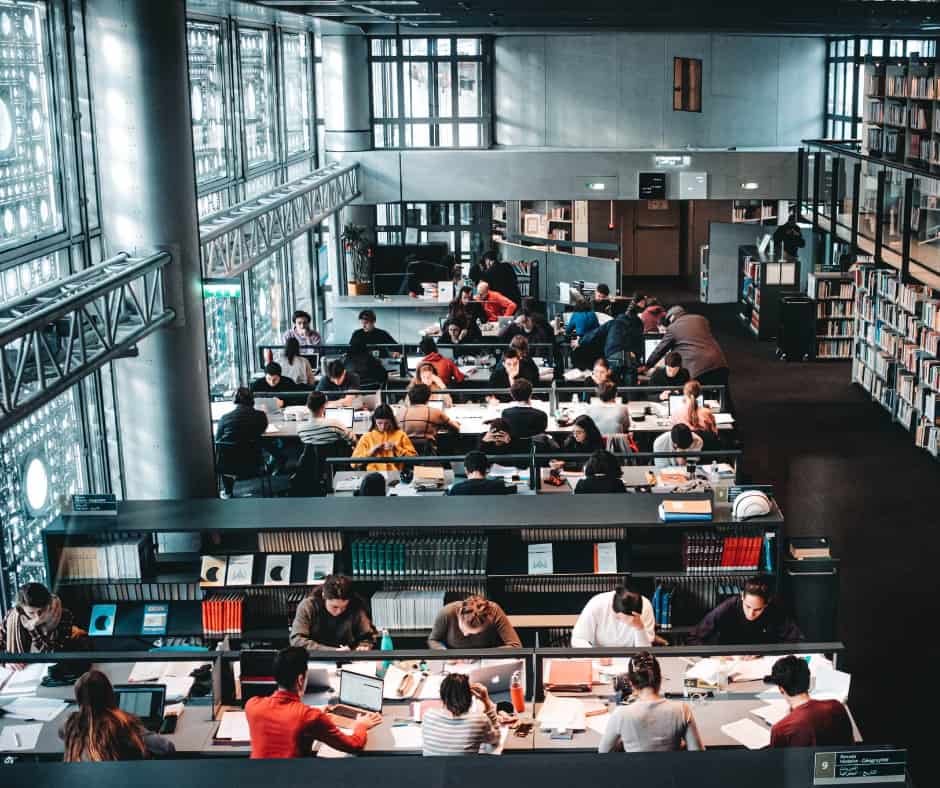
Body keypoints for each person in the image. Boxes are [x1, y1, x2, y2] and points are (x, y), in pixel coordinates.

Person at [245, 646, 381, 758]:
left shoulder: (252, 706)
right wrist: (361, 725)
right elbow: (354, 745)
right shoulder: (310, 717)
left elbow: (280, 715)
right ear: (300, 680)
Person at [598, 652, 703, 753]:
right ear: (660, 679)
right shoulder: (681, 710)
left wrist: (626, 742)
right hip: (671, 770)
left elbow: (604, 751)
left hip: (635, 770)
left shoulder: (620, 714)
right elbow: (697, 751)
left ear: (631, 683)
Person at [62, 670, 175, 761]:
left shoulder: (70, 724)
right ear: (111, 695)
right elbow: (167, 747)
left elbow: (61, 734)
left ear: (78, 699)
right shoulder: (123, 725)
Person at [643, 307, 732, 412]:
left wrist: (647, 366)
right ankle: (731, 425)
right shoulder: (701, 319)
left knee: (699, 402)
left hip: (698, 368)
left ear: (672, 318)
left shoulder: (673, 328)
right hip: (719, 363)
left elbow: (660, 350)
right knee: (724, 398)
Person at [687, 576, 804, 646]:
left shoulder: (774, 609)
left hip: (760, 662)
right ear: (742, 596)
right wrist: (714, 656)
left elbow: (797, 640)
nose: (751, 614)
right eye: (747, 606)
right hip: (729, 660)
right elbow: (693, 638)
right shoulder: (728, 607)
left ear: (767, 604)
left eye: (758, 609)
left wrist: (765, 652)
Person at [765, 655, 853, 748]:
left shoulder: (780, 730)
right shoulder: (836, 706)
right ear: (808, 682)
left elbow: (776, 761)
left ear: (781, 689)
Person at [290, 574, 378, 651]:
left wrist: (363, 646)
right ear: (323, 596)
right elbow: (297, 640)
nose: (339, 611)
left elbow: (367, 636)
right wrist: (333, 651)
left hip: (349, 657)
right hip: (315, 657)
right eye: (334, 607)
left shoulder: (356, 605)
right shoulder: (308, 606)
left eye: (344, 607)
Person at [421, 672, 501, 756]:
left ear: (442, 695)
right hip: (464, 769)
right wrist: (486, 701)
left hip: (432, 768)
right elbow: (496, 739)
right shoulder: (479, 720)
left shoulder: (428, 715)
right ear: (470, 697)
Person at [1, 582, 82, 661]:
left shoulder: (64, 616)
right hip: (20, 671)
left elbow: (53, 654)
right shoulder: (12, 618)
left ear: (49, 604)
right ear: (22, 610)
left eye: (41, 611)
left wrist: (32, 629)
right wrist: (6, 661)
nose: (37, 616)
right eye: (31, 613)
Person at [572, 585, 656, 648]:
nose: (623, 622)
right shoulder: (597, 603)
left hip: (631, 661)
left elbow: (645, 652)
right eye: (619, 617)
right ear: (612, 606)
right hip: (598, 661)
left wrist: (639, 628)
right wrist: (596, 656)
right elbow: (578, 639)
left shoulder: (645, 607)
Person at [428, 595, 521, 649]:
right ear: (460, 612)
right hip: (456, 665)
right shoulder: (447, 612)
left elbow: (516, 646)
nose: (465, 634)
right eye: (463, 629)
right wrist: (446, 655)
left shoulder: (494, 612)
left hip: (487, 663)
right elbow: (433, 640)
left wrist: (481, 655)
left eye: (477, 633)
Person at [352, 404, 417, 471]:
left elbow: (414, 458)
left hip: (395, 474)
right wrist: (371, 452)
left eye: (386, 423)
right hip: (374, 474)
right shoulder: (367, 437)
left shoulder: (401, 435)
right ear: (374, 421)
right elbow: (353, 463)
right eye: (379, 423)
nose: (383, 427)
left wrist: (396, 448)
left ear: (391, 421)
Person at [399, 383, 460, 450]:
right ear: (428, 398)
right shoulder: (435, 412)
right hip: (427, 453)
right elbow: (456, 428)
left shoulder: (400, 413)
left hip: (404, 454)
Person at [447, 450, 515, 496]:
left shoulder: (456, 489)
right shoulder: (499, 485)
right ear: (487, 469)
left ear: (465, 470)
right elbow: (517, 482)